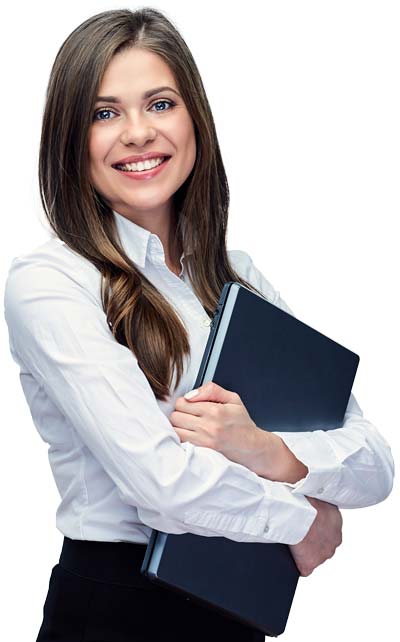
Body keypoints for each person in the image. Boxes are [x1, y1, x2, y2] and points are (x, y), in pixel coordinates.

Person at [3, 7, 394, 642]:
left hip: (238, 609)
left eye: (160, 103)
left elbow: (374, 461)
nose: (136, 132)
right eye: (104, 114)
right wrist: (303, 519)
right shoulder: (52, 282)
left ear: (194, 121)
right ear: (70, 139)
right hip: (117, 611)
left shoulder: (236, 279)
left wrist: (265, 449)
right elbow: (161, 486)